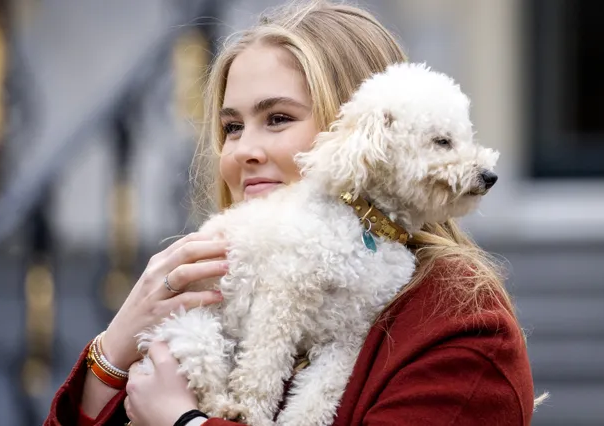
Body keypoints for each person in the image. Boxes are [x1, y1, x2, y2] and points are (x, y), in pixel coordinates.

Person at [45, 1, 535, 425]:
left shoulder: (460, 328)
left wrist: (186, 422)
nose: (243, 151)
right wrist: (112, 355)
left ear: (367, 135)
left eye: (278, 118)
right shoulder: (213, 290)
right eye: (232, 127)